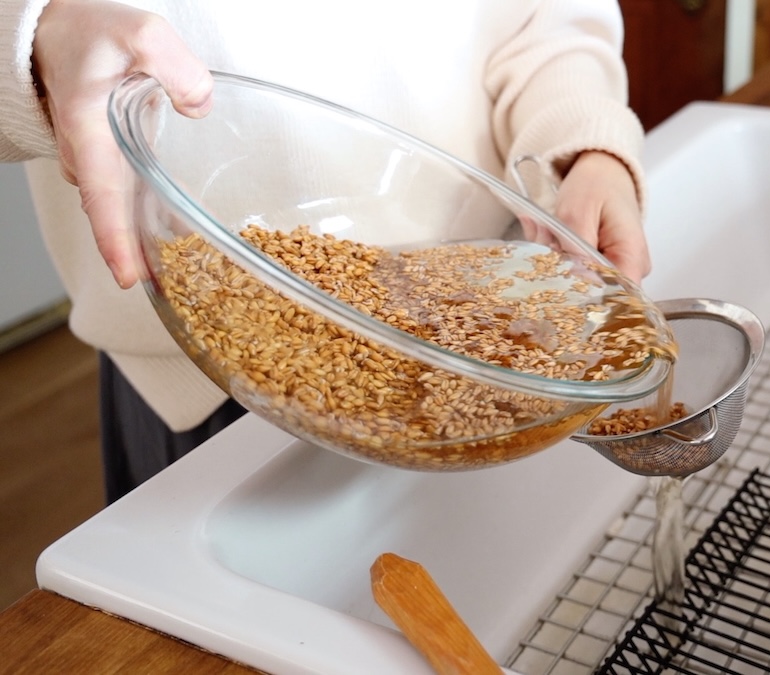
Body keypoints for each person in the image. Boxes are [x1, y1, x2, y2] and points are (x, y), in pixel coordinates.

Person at [0, 0, 652, 503]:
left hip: (485, 330)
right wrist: (40, 38)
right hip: (206, 362)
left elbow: (544, 18)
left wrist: (581, 138)